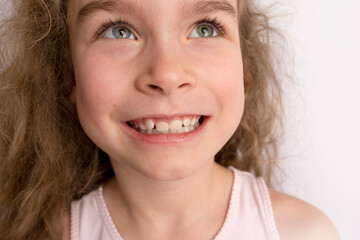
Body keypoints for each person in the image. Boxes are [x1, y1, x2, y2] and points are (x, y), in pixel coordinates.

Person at [0, 0, 340, 239]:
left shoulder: (303, 232)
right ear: (67, 75)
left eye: (205, 29)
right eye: (118, 31)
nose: (167, 73)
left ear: (245, 68)